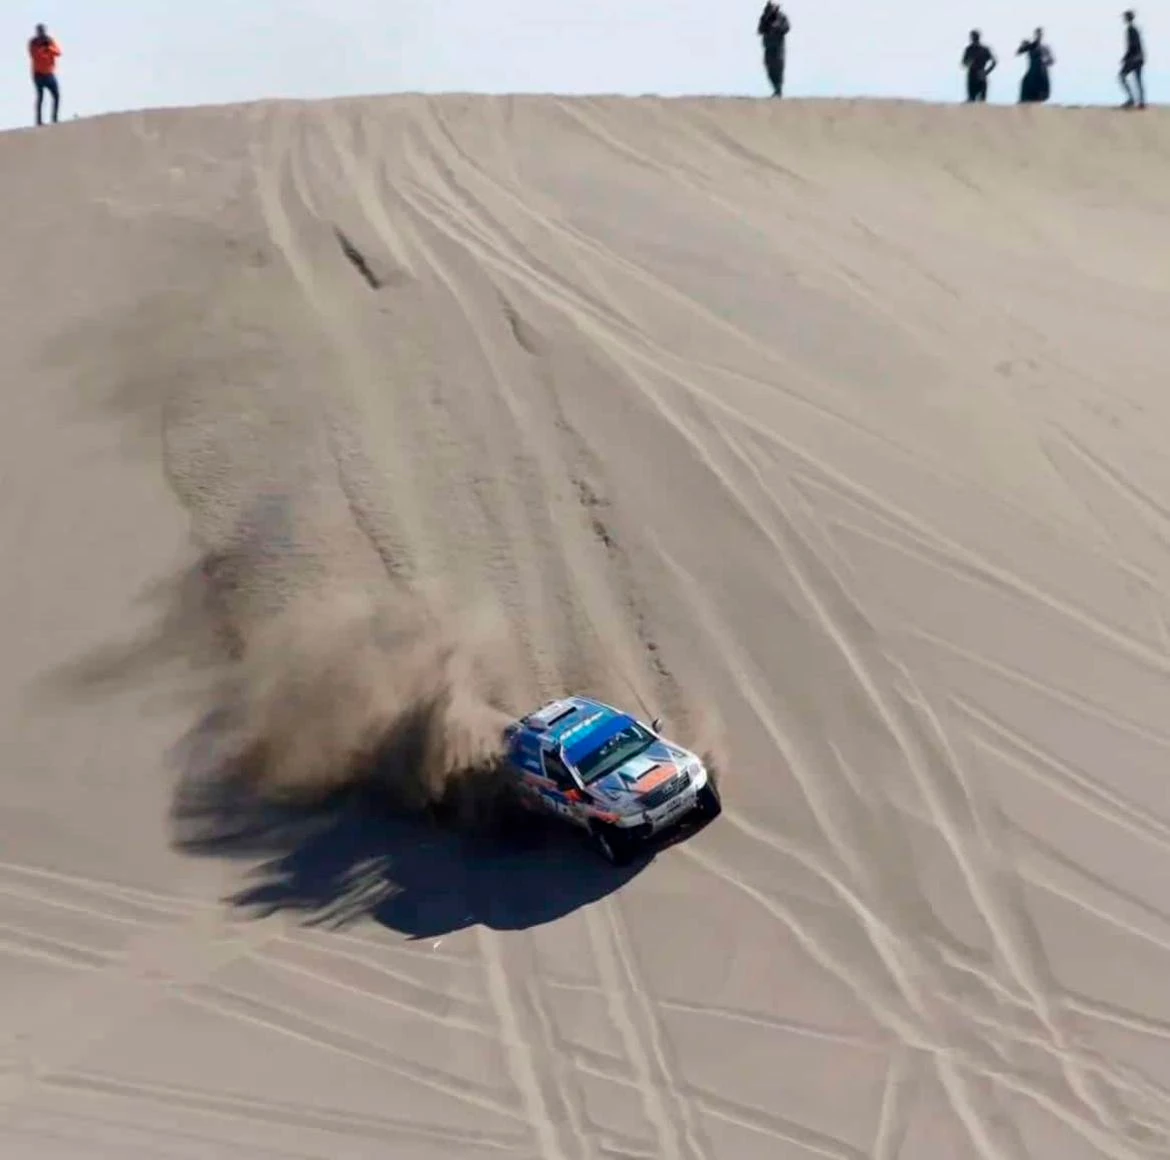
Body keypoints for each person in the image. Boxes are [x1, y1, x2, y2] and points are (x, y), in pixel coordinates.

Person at [28, 23, 61, 126]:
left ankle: (54, 118)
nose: (41, 33)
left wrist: (49, 48)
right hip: (38, 75)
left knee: (56, 96)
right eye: (39, 31)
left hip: (49, 73)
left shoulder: (49, 40)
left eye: (43, 31)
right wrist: (44, 49)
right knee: (40, 97)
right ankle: (39, 121)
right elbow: (35, 56)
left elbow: (58, 53)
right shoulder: (33, 42)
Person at [757, 2, 791, 97]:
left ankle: (778, 90)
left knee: (778, 69)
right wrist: (767, 24)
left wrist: (777, 27)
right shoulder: (765, 17)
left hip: (778, 48)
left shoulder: (782, 17)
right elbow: (759, 30)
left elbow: (787, 28)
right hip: (768, 47)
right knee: (769, 69)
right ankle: (776, 88)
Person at [1016, 28, 1054, 103]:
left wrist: (1045, 61)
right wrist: (1023, 45)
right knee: (1025, 84)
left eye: (1040, 34)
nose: (1038, 36)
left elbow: (1052, 60)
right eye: (1037, 34)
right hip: (1032, 71)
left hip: (1042, 72)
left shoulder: (1045, 47)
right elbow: (1019, 52)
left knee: (1040, 93)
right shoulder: (1031, 46)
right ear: (1035, 35)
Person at [961, 30, 997, 102]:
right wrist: (969, 63)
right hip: (973, 74)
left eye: (974, 37)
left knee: (980, 100)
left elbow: (994, 62)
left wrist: (986, 72)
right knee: (972, 99)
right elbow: (963, 63)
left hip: (980, 74)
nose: (973, 38)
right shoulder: (969, 49)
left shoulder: (984, 49)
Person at [1120, 10, 1146, 109]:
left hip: (1134, 58)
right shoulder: (1134, 29)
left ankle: (1132, 99)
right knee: (1138, 80)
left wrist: (1126, 57)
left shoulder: (1131, 30)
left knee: (1122, 76)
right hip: (1139, 57)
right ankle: (1141, 101)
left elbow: (1132, 46)